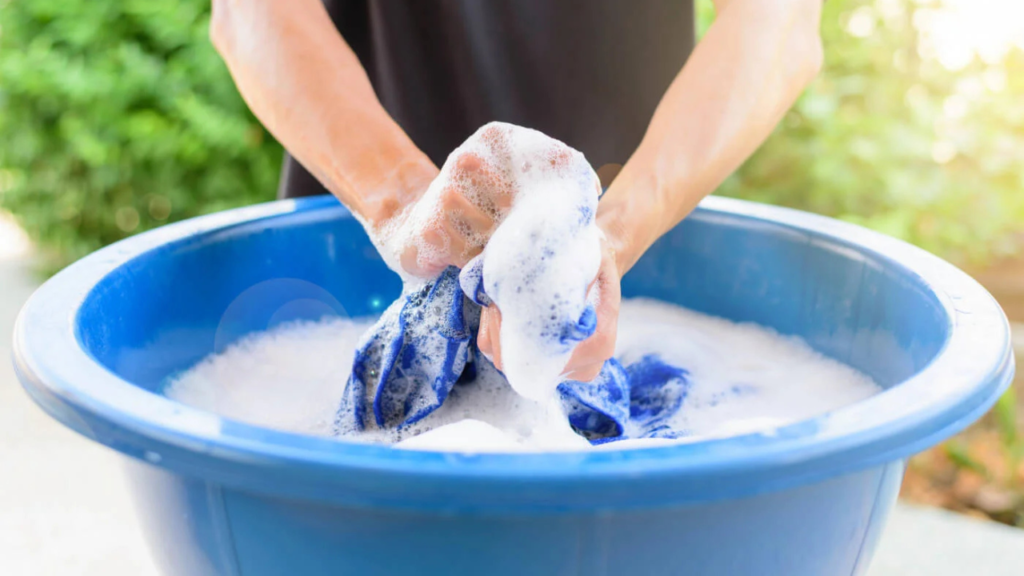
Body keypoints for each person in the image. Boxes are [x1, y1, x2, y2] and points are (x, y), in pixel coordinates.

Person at [210, 0, 823, 382]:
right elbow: (253, 10)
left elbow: (777, 20)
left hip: (624, 273)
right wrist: (401, 203)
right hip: (355, 258)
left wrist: (612, 231)